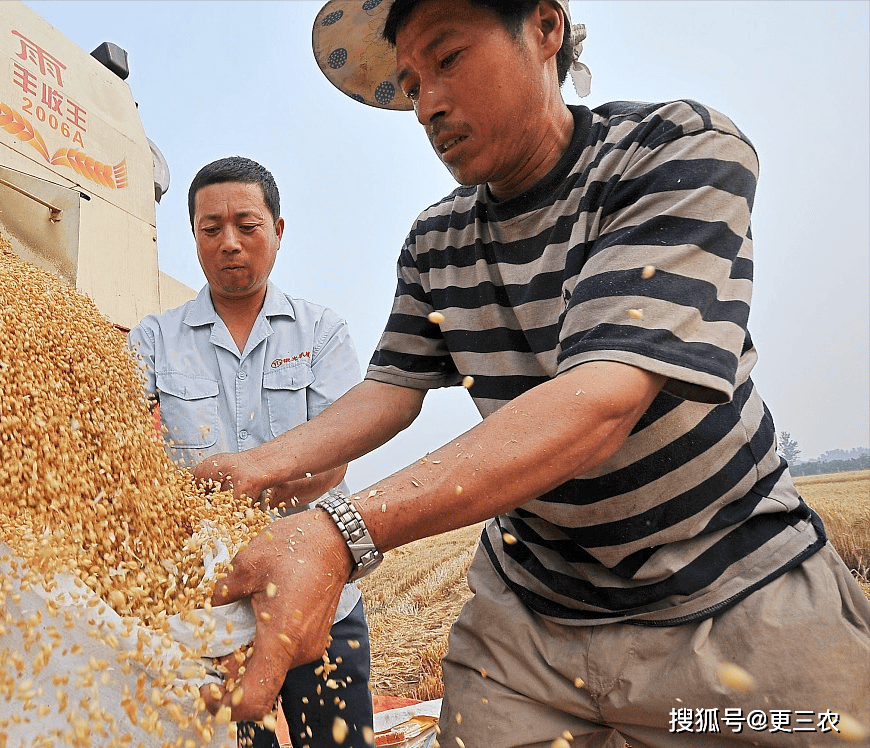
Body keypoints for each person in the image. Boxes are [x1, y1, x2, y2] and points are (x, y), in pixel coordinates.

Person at [193, 2, 870, 747]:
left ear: (545, 29)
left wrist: (339, 532)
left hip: (731, 595)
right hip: (530, 620)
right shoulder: (435, 239)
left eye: (447, 59)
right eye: (413, 83)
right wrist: (256, 468)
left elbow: (603, 398)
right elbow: (390, 391)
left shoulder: (672, 152)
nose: (428, 105)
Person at [127, 156, 375, 748]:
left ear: (279, 230)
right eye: (210, 230)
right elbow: (123, 451)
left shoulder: (321, 332)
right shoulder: (154, 339)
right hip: (212, 613)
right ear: (193, 237)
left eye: (247, 225)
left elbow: (334, 455)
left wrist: (244, 481)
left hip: (321, 600)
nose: (229, 244)